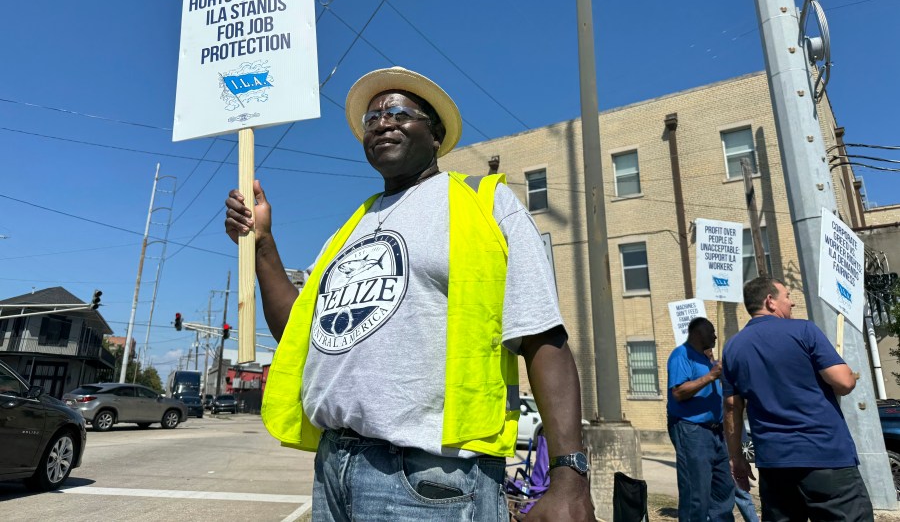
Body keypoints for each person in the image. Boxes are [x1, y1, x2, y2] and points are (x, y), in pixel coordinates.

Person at [224, 66, 594, 522]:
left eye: (399, 112)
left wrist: (569, 477)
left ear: (435, 134)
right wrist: (263, 244)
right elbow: (299, 336)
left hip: (432, 479)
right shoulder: (348, 231)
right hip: (334, 467)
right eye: (372, 118)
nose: (381, 121)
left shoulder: (483, 203)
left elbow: (543, 337)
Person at [722, 276, 874, 522]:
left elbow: (731, 407)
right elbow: (844, 383)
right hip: (824, 456)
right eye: (788, 296)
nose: (792, 303)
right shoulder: (805, 330)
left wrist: (736, 458)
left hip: (774, 464)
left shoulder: (732, 348)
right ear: (770, 301)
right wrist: (850, 375)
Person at [666, 317, 735, 521]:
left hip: (716, 431)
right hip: (692, 429)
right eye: (711, 331)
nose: (715, 335)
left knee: (724, 487)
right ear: (697, 334)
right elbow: (678, 392)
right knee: (696, 492)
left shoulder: (706, 358)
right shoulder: (681, 355)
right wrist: (710, 376)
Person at [704, 348, 759, 522]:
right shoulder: (701, 374)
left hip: (730, 436)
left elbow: (733, 403)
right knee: (720, 489)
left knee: (739, 488)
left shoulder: (720, 369)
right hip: (714, 437)